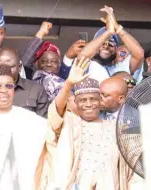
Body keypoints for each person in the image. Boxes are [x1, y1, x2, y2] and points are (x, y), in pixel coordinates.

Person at [43, 57, 139, 189]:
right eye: (82, 100)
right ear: (75, 103)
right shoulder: (71, 123)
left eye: (93, 99)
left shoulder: (117, 129)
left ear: (100, 101)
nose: (88, 104)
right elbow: (55, 112)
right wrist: (69, 84)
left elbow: (132, 171)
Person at [79, 6, 144, 83]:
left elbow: (139, 54)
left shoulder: (122, 67)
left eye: (111, 44)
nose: (106, 46)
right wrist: (109, 32)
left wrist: (117, 27)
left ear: (116, 49)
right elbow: (82, 56)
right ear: (95, 46)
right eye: (102, 44)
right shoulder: (89, 65)